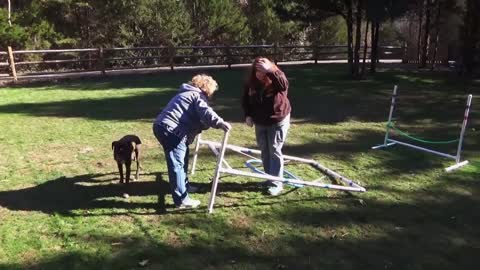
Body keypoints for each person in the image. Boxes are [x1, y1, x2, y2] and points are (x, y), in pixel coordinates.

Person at [153, 74, 231, 209]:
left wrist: (204, 125)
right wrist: (220, 123)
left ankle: (185, 187)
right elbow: (206, 112)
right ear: (206, 88)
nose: (211, 95)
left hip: (165, 127)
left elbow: (196, 120)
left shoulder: (186, 93)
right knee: (177, 164)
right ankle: (182, 200)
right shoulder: (196, 96)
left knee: (181, 159)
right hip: (172, 130)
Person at [242, 57, 291, 196]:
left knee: (274, 149)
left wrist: (271, 70)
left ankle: (276, 183)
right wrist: (248, 115)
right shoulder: (251, 83)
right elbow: (246, 100)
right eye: (257, 70)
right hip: (260, 121)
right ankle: (269, 178)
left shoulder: (276, 80)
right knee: (264, 150)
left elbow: (284, 84)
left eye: (263, 71)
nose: (259, 74)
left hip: (277, 120)